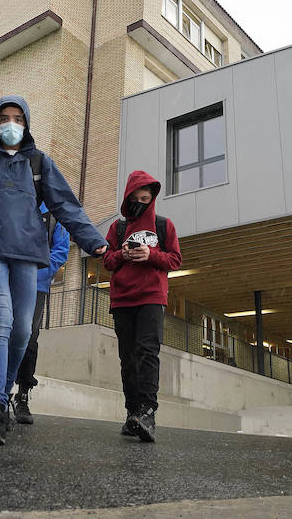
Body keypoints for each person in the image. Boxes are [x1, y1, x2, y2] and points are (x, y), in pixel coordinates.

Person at [0, 96, 108, 446]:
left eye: (18, 118)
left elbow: (66, 205)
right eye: (4, 118)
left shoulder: (39, 163)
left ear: (27, 123)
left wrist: (95, 242)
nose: (11, 124)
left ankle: (3, 394)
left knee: (23, 330)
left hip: (27, 255)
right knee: (1, 318)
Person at [102, 170, 181, 443]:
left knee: (148, 354)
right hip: (122, 299)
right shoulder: (118, 228)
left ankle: (148, 414)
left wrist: (151, 254)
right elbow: (107, 260)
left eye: (145, 198)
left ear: (153, 198)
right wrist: (122, 254)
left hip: (151, 298)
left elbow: (175, 260)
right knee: (128, 358)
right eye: (135, 198)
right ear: (127, 197)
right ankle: (132, 413)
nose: (140, 203)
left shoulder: (164, 225)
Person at [11, 202, 70, 424]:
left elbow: (61, 251)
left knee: (28, 339)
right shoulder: (15, 204)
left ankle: (23, 395)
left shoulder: (56, 218)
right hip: (7, 283)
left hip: (36, 286)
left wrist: (36, 275)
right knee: (1, 334)